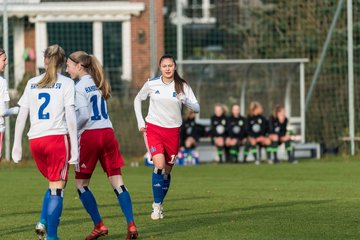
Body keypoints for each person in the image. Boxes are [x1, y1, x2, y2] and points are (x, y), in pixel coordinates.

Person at [66, 51, 138, 239]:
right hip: (108, 133)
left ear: (79, 66)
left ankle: (99, 225)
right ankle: (131, 224)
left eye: (69, 66)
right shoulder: (98, 82)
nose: (67, 70)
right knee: (118, 182)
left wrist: (69, 129)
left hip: (91, 135)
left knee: (81, 185)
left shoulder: (79, 86)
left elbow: (83, 116)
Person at [12, 44, 78, 240]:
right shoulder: (66, 83)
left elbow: (22, 115)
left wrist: (16, 145)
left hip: (36, 141)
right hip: (56, 139)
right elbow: (71, 118)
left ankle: (42, 221)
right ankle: (52, 237)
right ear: (63, 62)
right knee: (58, 188)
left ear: (45, 61)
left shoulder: (32, 82)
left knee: (54, 184)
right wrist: (74, 148)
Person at [134, 54, 199, 220]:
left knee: (167, 171)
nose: (168, 68)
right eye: (165, 66)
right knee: (159, 164)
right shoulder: (152, 83)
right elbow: (137, 99)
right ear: (160, 67)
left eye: (170, 65)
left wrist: (185, 100)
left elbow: (196, 107)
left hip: (173, 131)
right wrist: (140, 121)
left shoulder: (182, 86)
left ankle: (159, 203)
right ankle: (156, 207)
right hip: (154, 128)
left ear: (175, 67)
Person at [0, 48, 19, 160]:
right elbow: (1, 112)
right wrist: (16, 110)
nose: (6, 62)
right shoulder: (2, 81)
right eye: (4, 59)